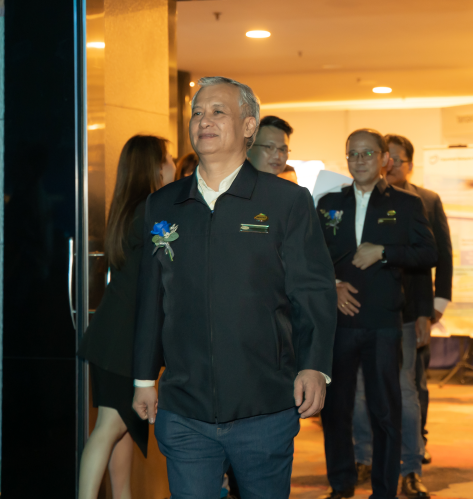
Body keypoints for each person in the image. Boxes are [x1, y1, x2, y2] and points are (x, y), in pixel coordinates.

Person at [132, 76, 337, 499]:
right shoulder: (163, 204)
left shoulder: (286, 202)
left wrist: (314, 366)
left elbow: (312, 291)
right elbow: (152, 298)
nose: (203, 121)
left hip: (264, 406)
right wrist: (143, 378)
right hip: (184, 408)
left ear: (248, 126)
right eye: (197, 113)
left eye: (218, 112)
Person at [318, 129, 437, 499]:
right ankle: (341, 484)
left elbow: (428, 253)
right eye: (352, 153)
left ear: (385, 158)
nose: (359, 160)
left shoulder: (406, 203)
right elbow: (310, 256)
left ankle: (384, 490)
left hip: (384, 322)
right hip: (339, 321)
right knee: (335, 409)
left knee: (385, 409)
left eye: (368, 153)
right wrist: (332, 285)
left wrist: (384, 252)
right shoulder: (328, 203)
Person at [350, 134, 453, 496]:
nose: (390, 163)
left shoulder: (423, 200)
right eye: (386, 156)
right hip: (360, 310)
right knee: (361, 390)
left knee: (406, 388)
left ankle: (411, 464)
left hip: (408, 311)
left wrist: (432, 308)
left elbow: (436, 257)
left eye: (397, 158)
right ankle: (364, 457)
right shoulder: (356, 200)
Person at [76, 135, 176, 499]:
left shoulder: (129, 209)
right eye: (168, 158)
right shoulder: (150, 212)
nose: (173, 164)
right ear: (154, 166)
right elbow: (170, 269)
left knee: (120, 429)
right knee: (109, 427)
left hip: (112, 336)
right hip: (122, 340)